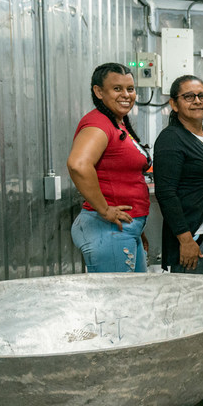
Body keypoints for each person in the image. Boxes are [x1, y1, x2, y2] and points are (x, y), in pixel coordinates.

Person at [68, 62, 151, 272]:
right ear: (98, 91)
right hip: (108, 230)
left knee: (133, 298)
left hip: (123, 228)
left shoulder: (117, 122)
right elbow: (78, 165)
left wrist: (138, 228)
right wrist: (105, 210)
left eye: (130, 89)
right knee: (118, 302)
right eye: (117, 89)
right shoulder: (98, 123)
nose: (126, 95)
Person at [153, 75, 203, 275]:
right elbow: (166, 193)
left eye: (202, 96)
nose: (197, 101)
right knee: (191, 301)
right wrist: (185, 240)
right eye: (188, 96)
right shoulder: (171, 139)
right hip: (194, 234)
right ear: (174, 104)